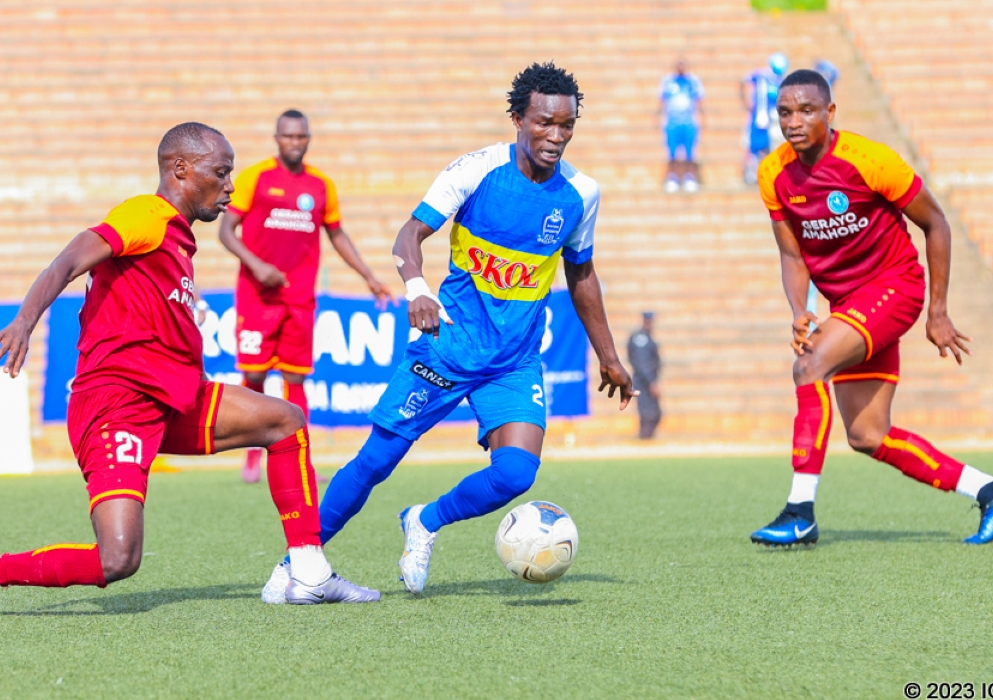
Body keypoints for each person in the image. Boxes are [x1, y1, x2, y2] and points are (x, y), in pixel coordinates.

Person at [0, 123, 379, 619]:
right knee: (118, 559)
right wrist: (25, 322)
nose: (230, 186)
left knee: (286, 421)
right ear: (181, 168)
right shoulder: (146, 215)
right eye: (220, 173)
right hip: (116, 405)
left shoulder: (177, 240)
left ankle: (308, 570)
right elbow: (67, 261)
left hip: (174, 397)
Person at [260, 62, 636, 601]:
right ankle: (294, 567)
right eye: (544, 123)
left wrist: (609, 355)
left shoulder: (581, 194)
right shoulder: (477, 170)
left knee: (515, 475)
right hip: (448, 346)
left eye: (567, 125)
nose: (556, 136)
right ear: (516, 118)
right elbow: (410, 234)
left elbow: (581, 273)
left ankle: (425, 521)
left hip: (513, 360)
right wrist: (417, 289)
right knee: (375, 461)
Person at [751, 70, 993, 548]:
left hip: (894, 288)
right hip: (847, 305)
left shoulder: (870, 160)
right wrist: (799, 307)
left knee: (809, 365)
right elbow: (792, 254)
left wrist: (937, 311)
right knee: (868, 435)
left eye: (806, 110)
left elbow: (936, 224)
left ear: (830, 113)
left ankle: (799, 512)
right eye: (784, 113)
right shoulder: (773, 173)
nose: (794, 122)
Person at [219, 109, 392, 484]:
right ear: (277, 138)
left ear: (308, 139)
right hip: (257, 296)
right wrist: (258, 265)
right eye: (288, 136)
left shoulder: (320, 186)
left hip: (299, 298)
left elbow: (337, 234)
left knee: (295, 379)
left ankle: (298, 451)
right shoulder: (256, 178)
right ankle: (252, 451)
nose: (295, 143)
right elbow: (226, 231)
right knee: (254, 373)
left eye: (301, 137)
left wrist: (369, 276)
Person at [657, 59, 705, 193]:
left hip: (689, 121)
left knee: (690, 152)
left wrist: (703, 117)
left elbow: (699, 100)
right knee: (672, 152)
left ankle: (689, 177)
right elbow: (662, 100)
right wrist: (657, 116)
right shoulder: (668, 81)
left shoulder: (692, 81)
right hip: (672, 121)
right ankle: (672, 177)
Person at [741, 52, 789, 185]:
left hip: (774, 119)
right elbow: (743, 81)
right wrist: (746, 102)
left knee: (772, 146)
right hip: (759, 117)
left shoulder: (782, 80)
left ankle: (770, 174)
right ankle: (751, 174)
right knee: (754, 146)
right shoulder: (761, 75)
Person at [627, 311, 662, 439]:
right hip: (643, 381)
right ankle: (645, 439)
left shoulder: (647, 337)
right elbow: (642, 363)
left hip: (648, 379)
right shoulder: (640, 338)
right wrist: (652, 381)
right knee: (649, 413)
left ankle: (647, 438)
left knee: (654, 413)